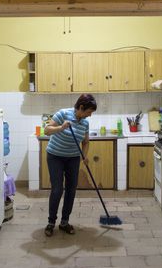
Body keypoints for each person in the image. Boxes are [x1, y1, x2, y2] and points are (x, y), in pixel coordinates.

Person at [43, 94, 97, 236]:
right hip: (55, 156)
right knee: (57, 189)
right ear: (81, 107)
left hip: (72, 158)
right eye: (89, 112)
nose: (90, 115)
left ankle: (64, 222)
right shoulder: (63, 114)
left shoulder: (85, 123)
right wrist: (61, 127)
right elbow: (47, 130)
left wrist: (84, 155)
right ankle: (51, 222)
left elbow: (85, 142)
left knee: (71, 189)